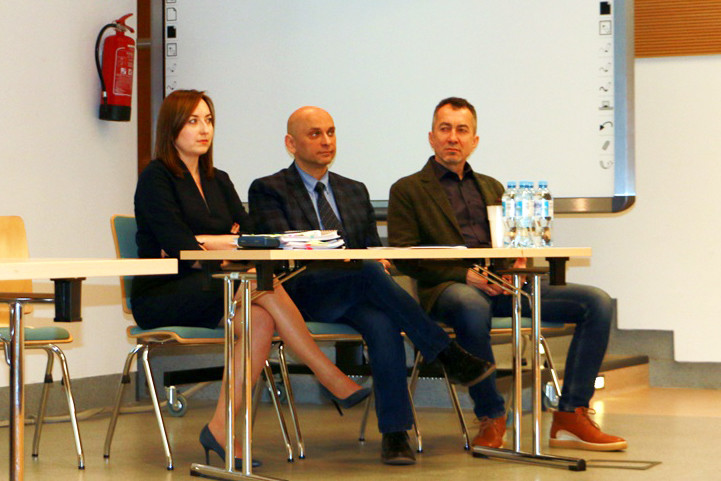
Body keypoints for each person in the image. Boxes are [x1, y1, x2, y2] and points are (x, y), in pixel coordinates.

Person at [131, 90, 373, 469]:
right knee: (261, 285)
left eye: (208, 120)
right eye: (193, 121)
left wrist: (210, 242)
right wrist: (214, 243)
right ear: (172, 128)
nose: (204, 129)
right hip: (164, 293)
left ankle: (220, 428)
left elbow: (251, 236)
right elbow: (180, 248)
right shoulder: (156, 177)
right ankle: (328, 374)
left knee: (259, 315)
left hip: (219, 286)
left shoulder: (218, 179)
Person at [248, 106, 495, 465]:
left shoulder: (353, 190)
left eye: (331, 132)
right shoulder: (268, 189)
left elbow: (372, 247)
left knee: (383, 322)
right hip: (300, 292)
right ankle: (445, 352)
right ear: (291, 143)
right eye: (315, 134)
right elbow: (286, 248)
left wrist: (379, 260)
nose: (326, 141)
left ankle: (395, 434)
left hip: (356, 291)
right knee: (366, 272)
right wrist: (363, 264)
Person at [387, 96, 627, 452]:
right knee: (471, 305)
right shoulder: (407, 189)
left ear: (474, 141)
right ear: (431, 137)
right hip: (449, 290)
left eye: (461, 130)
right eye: (445, 129)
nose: (453, 137)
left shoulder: (492, 187)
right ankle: (492, 415)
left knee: (597, 302)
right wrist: (465, 274)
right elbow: (405, 257)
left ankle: (570, 413)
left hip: (504, 287)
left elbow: (511, 240)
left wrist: (517, 262)